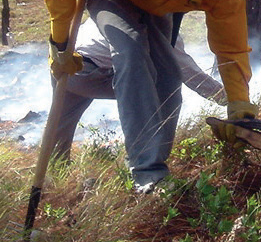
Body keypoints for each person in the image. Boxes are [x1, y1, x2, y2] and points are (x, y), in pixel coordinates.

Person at [44, 0, 261, 193]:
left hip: (160, 1)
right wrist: (60, 46)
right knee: (131, 50)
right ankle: (147, 175)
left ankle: (158, 171)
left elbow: (231, 48)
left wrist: (238, 103)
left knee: (169, 78)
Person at [52, 16, 227, 162]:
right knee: (157, 87)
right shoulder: (160, 30)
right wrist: (227, 99)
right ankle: (145, 157)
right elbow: (189, 74)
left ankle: (56, 165)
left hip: (64, 65)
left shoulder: (112, 13)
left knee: (61, 123)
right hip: (90, 72)